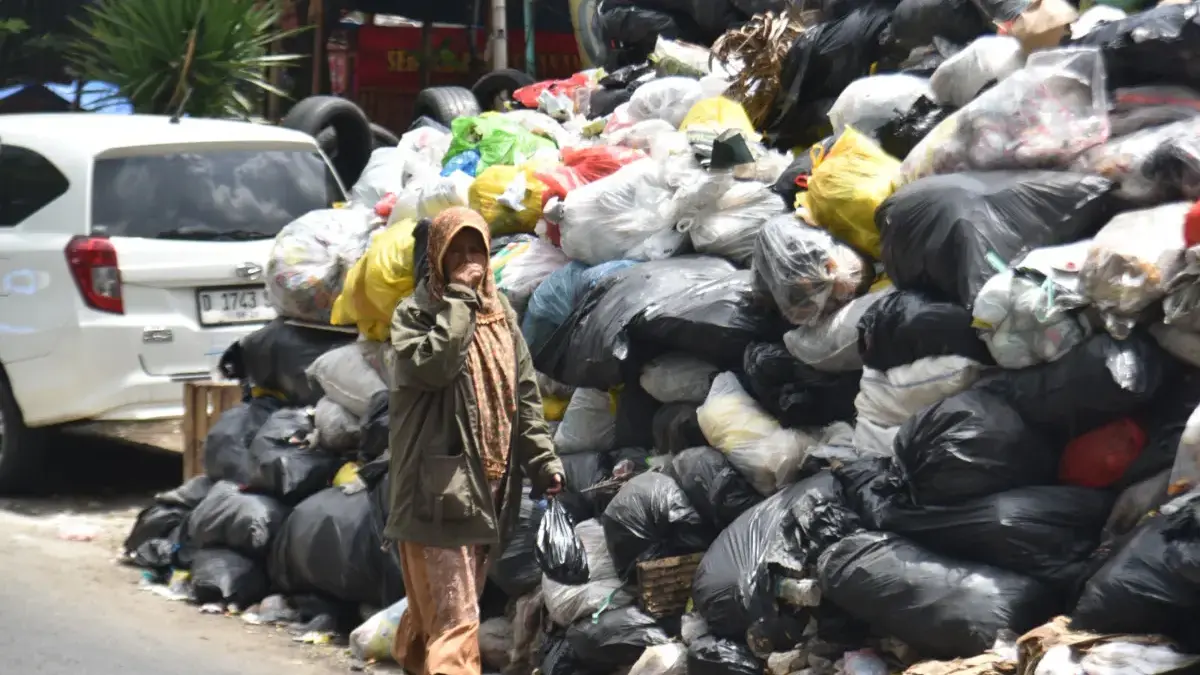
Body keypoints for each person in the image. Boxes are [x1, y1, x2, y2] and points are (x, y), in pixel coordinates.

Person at [384, 207, 565, 675]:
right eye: (456, 252)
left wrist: (543, 461)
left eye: (476, 251)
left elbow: (522, 394)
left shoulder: (500, 312)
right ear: (437, 259)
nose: (469, 262)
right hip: (436, 492)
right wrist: (460, 299)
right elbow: (434, 366)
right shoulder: (416, 315)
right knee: (458, 621)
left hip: (489, 490)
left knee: (439, 617)